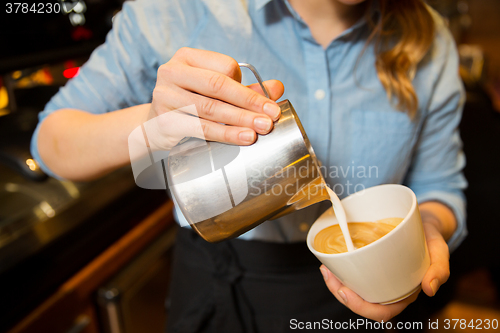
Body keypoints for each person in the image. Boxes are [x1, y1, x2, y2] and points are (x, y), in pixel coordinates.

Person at [31, 0, 467, 331]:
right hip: (223, 284)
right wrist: (151, 124)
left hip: (370, 283)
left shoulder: (430, 39)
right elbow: (51, 143)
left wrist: (419, 247)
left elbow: (438, 187)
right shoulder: (173, 10)